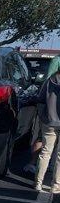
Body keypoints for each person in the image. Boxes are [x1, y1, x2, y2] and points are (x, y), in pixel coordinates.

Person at [24, 56, 60, 176]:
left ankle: (39, 166)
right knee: (44, 138)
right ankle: (35, 164)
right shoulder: (57, 61)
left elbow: (48, 82)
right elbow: (49, 82)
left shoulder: (56, 61)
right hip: (52, 106)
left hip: (51, 106)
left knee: (45, 137)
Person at [34, 63, 60, 193]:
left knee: (45, 152)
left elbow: (40, 99)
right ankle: (56, 185)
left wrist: (42, 116)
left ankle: (38, 182)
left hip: (49, 121)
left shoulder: (49, 80)